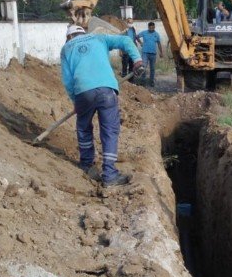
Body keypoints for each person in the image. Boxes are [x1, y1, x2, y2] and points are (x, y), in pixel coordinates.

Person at [61, 24, 143, 187]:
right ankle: (110, 174)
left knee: (83, 128)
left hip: (83, 92)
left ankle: (86, 164)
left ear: (69, 37)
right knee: (110, 131)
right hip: (106, 89)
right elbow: (126, 40)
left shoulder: (66, 49)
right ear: (84, 33)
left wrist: (76, 101)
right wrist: (138, 60)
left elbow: (68, 81)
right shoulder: (99, 38)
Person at [139, 22, 163, 87]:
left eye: (153, 27)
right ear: (148, 27)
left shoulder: (156, 34)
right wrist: (141, 43)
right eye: (150, 27)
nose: (152, 29)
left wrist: (161, 52)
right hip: (145, 53)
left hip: (153, 54)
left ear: (154, 27)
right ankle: (143, 81)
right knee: (143, 67)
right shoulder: (144, 32)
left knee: (152, 68)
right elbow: (137, 36)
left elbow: (159, 43)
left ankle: (151, 81)